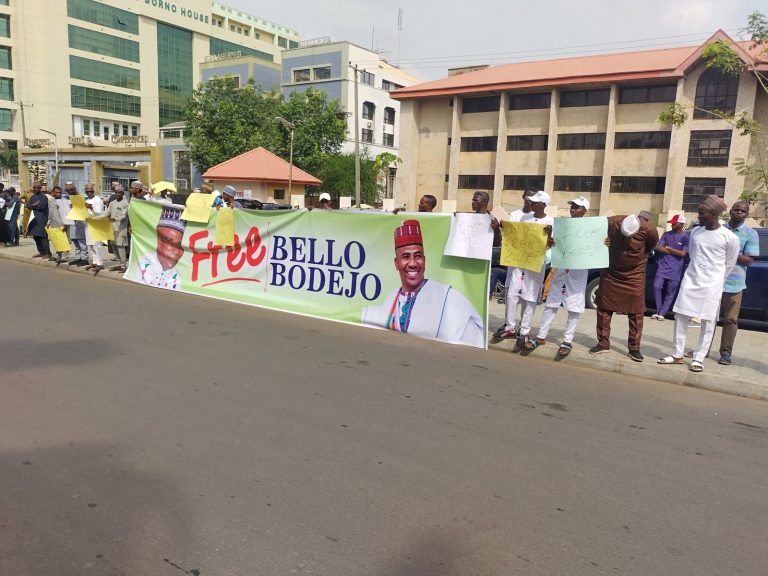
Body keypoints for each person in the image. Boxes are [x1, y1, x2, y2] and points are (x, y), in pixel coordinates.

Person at [361, 219, 485, 347]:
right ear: (396, 263)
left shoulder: (449, 299)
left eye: (418, 256)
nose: (413, 263)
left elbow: (473, 341)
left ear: (424, 260)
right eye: (405, 257)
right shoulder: (391, 298)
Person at [658, 196, 739, 373]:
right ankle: (677, 354)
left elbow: (729, 263)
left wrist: (717, 280)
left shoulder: (729, 238)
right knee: (681, 317)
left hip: (712, 284)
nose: (698, 216)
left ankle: (699, 358)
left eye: (702, 213)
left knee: (708, 322)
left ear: (714, 214)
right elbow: (693, 255)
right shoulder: (695, 232)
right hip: (691, 281)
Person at [590, 212, 659, 361]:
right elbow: (592, 229)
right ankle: (602, 343)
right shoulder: (612, 221)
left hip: (634, 274)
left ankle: (634, 348)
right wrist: (601, 240)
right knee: (603, 308)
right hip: (611, 272)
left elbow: (651, 246)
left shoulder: (650, 230)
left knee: (636, 311)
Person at [530, 196, 591, 356]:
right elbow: (554, 244)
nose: (573, 209)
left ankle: (567, 340)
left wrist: (604, 243)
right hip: (561, 267)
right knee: (552, 301)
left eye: (577, 207)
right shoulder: (562, 225)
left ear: (585, 211)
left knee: (574, 305)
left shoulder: (591, 228)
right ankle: (541, 335)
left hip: (578, 269)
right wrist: (549, 242)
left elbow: (593, 249)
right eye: (572, 206)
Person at [718, 200, 760, 365]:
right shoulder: (719, 230)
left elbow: (748, 260)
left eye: (743, 211)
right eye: (736, 210)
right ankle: (702, 350)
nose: (739, 213)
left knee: (730, 320)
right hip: (715, 281)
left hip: (735, 285)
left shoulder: (751, 234)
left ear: (747, 214)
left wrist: (729, 252)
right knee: (708, 318)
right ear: (731, 211)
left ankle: (726, 353)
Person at [493, 186, 538, 339]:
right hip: (514, 262)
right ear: (523, 196)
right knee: (510, 295)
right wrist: (502, 227)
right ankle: (509, 324)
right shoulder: (515, 215)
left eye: (534, 198)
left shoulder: (537, 218)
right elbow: (508, 237)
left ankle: (523, 327)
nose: (530, 200)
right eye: (528, 196)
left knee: (526, 296)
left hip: (530, 263)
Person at [137, 205, 186, 290]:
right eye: (170, 242)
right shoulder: (139, 265)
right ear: (159, 241)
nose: (176, 251)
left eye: (179, 245)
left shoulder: (177, 279)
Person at [651, 214, 689, 320]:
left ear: (681, 224)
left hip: (676, 269)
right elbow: (658, 248)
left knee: (670, 292)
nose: (672, 224)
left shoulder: (686, 237)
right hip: (663, 266)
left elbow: (683, 254)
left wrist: (669, 249)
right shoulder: (666, 234)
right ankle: (658, 311)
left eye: (674, 223)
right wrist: (674, 251)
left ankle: (662, 313)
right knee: (657, 286)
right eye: (671, 223)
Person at [63, 182, 88, 266]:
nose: (70, 191)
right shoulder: (67, 197)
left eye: (72, 189)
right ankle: (78, 258)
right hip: (71, 222)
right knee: (75, 240)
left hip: (80, 221)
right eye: (68, 190)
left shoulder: (79, 196)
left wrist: (74, 190)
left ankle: (84, 258)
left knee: (81, 240)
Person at [106, 186, 129, 272]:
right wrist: (95, 218)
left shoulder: (125, 203)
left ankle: (123, 265)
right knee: (113, 246)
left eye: (119, 192)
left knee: (120, 247)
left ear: (123, 194)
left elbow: (124, 216)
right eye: (116, 192)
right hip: (112, 229)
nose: (117, 194)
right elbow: (106, 213)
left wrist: (115, 219)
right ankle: (119, 263)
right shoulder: (112, 203)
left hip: (121, 229)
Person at [25, 181, 51, 258]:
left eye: (37, 188)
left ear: (40, 188)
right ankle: (41, 252)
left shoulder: (43, 197)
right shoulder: (33, 197)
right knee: (36, 236)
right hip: (34, 219)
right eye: (34, 188)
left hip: (42, 219)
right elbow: (28, 206)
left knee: (43, 236)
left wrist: (33, 206)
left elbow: (42, 207)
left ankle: (47, 253)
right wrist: (34, 204)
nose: (36, 189)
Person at [84, 182, 105, 272]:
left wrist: (91, 207)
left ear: (93, 191)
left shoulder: (98, 200)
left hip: (96, 225)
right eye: (87, 192)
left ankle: (100, 263)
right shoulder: (87, 200)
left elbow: (100, 213)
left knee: (97, 245)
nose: (89, 193)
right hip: (88, 224)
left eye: (90, 191)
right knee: (90, 245)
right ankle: (95, 261)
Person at [46, 186, 70, 264]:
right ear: (53, 193)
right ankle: (58, 255)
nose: (58, 194)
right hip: (53, 223)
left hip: (62, 224)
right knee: (56, 240)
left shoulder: (65, 201)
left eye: (60, 192)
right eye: (57, 192)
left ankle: (65, 257)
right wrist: (48, 223)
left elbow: (67, 214)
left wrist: (66, 224)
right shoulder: (51, 201)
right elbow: (50, 212)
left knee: (64, 241)